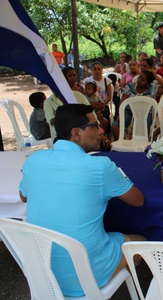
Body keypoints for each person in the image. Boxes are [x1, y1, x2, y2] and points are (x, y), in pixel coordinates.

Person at [19, 104, 145, 297]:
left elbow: (23, 196)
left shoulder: (35, 160)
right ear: (76, 133)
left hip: (42, 272)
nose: (101, 130)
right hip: (86, 274)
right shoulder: (100, 166)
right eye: (95, 125)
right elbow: (138, 200)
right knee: (141, 242)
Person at [83, 61, 113, 133]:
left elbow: (109, 96)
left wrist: (103, 104)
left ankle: (106, 133)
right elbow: (84, 94)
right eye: (95, 69)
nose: (97, 71)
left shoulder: (107, 81)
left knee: (105, 115)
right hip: (89, 104)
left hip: (102, 104)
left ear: (102, 69)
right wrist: (91, 104)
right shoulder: (87, 81)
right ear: (91, 70)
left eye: (99, 69)